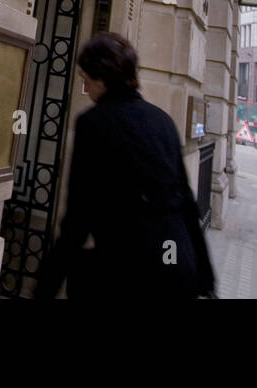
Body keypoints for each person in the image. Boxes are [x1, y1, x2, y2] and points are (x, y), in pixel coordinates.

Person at [35, 32, 215, 299]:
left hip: (127, 276)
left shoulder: (94, 123)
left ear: (102, 77)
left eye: (87, 75)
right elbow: (187, 203)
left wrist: (45, 288)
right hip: (177, 269)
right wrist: (206, 276)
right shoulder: (162, 122)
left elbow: (77, 218)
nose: (84, 82)